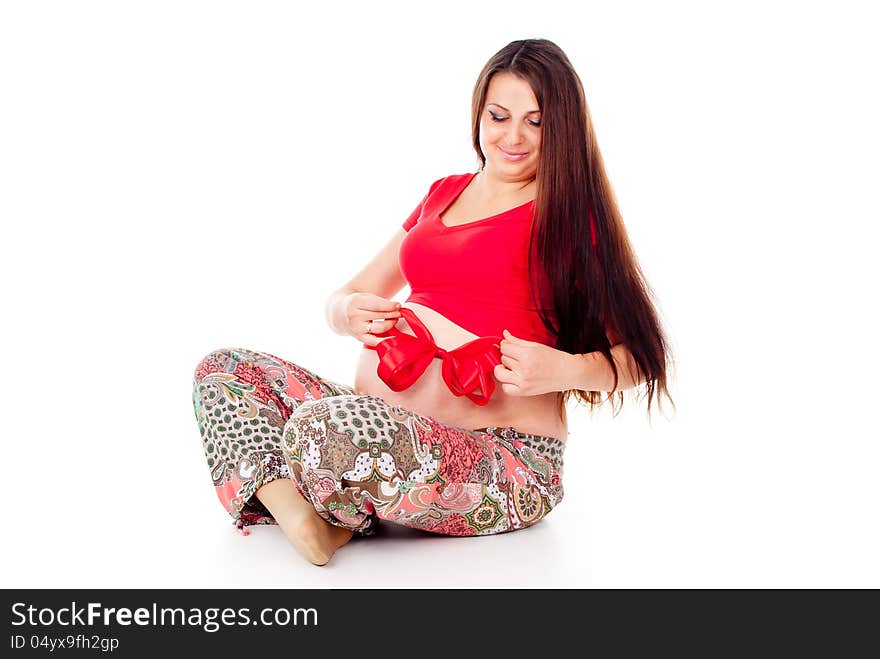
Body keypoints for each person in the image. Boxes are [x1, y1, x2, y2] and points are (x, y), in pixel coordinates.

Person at [191, 38, 675, 566]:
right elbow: (350, 293)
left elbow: (641, 359)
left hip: (501, 459)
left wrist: (562, 369)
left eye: (537, 122)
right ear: (478, 115)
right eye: (499, 115)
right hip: (378, 420)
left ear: (564, 127)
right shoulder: (444, 192)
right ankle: (302, 507)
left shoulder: (571, 217)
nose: (514, 136)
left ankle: (335, 503)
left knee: (320, 428)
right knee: (224, 372)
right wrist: (345, 313)